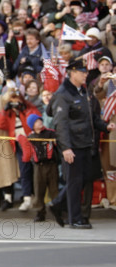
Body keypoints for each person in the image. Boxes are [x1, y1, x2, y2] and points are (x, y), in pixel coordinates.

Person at [46, 59, 115, 228]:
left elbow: (92, 117)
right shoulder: (64, 94)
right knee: (75, 182)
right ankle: (75, 219)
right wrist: (66, 148)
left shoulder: (83, 91)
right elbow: (60, 124)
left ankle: (58, 204)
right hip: (74, 145)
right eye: (83, 72)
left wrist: (105, 126)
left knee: (84, 179)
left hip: (86, 143)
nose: (86, 75)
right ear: (73, 73)